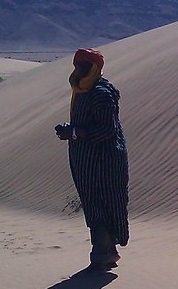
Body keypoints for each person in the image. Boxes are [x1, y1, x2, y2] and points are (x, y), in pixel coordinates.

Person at [55, 48, 129, 272]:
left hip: (104, 161)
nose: (78, 69)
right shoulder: (81, 91)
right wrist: (71, 130)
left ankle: (103, 254)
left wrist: (75, 132)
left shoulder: (101, 93)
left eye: (83, 65)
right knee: (93, 205)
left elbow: (107, 129)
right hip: (87, 162)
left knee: (103, 204)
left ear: (94, 68)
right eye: (76, 64)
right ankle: (103, 253)